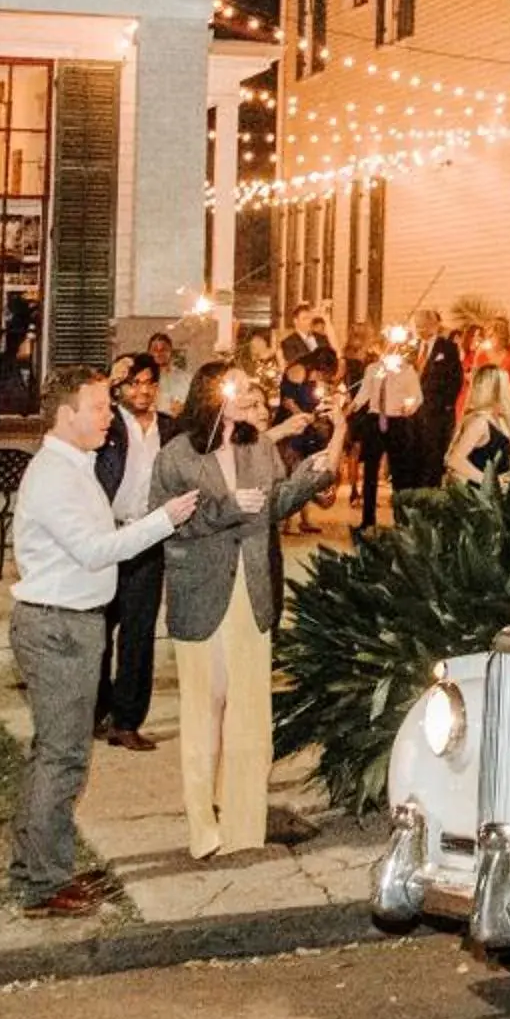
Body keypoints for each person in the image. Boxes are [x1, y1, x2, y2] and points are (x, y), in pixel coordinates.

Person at [8, 366, 200, 916]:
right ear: (66, 415)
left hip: (70, 621)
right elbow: (95, 550)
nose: (107, 418)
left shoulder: (76, 466)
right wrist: (163, 520)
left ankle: (34, 865)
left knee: (53, 752)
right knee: (64, 757)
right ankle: (44, 882)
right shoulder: (55, 476)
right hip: (58, 625)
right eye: (97, 408)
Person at [152, 363, 338, 859]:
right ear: (210, 395)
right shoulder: (179, 454)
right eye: (232, 386)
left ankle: (243, 823)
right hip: (201, 589)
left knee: (249, 708)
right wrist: (227, 508)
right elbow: (168, 523)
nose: (244, 394)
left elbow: (275, 505)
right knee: (205, 705)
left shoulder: (258, 447)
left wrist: (320, 466)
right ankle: (201, 827)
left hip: (251, 589)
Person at [92, 354, 170, 751]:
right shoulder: (107, 425)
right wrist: (108, 385)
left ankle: (127, 720)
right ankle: (98, 711)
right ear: (121, 387)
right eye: (134, 383)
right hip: (107, 536)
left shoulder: (169, 429)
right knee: (99, 630)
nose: (142, 390)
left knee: (138, 634)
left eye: (149, 383)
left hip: (149, 537)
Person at [350, 325, 421, 529]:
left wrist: (409, 406)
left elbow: (416, 396)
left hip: (397, 421)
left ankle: (401, 519)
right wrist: (350, 407)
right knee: (370, 471)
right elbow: (363, 394)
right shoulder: (372, 370)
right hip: (374, 421)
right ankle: (368, 519)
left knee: (399, 472)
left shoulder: (407, 371)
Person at [411, 308, 465, 483]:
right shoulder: (412, 348)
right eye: (417, 326)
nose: (419, 330)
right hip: (413, 411)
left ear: (432, 326)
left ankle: (431, 490)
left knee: (433, 454)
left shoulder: (447, 348)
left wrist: (447, 404)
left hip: (436, 410)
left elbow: (456, 378)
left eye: (422, 326)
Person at [449, 364, 510, 479]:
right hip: (481, 493)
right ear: (496, 390)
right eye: (507, 384)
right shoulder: (480, 422)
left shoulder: (501, 418)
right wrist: (488, 481)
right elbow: (455, 460)